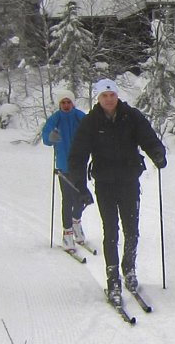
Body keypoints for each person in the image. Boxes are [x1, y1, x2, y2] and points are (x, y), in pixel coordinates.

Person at [67, 79, 167, 302]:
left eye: (112, 95)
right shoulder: (91, 121)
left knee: (131, 229)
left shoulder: (131, 116)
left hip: (129, 180)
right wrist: (80, 186)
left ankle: (129, 269)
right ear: (98, 98)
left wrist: (157, 154)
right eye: (104, 96)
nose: (109, 99)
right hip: (105, 184)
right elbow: (78, 155)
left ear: (117, 95)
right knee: (111, 231)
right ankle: (113, 279)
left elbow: (148, 137)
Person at [41, 94, 91, 249]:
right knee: (68, 199)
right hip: (63, 165)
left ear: (73, 103)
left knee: (82, 198)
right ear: (59, 104)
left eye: (68, 102)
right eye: (63, 102)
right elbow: (46, 137)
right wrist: (51, 137)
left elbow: (92, 129)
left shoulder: (79, 116)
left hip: (80, 164)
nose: (66, 105)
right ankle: (67, 233)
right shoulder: (55, 118)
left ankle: (76, 222)